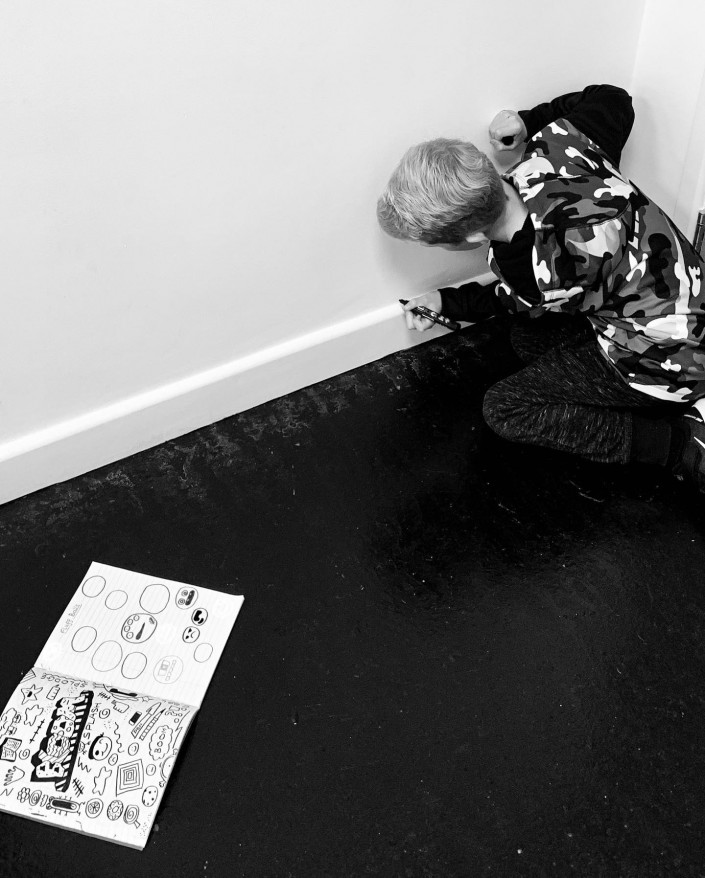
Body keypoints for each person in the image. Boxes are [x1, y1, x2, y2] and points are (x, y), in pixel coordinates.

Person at [376, 84, 705, 490]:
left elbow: (504, 300)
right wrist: (527, 121)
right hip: (688, 302)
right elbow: (613, 98)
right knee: (528, 337)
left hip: (673, 363)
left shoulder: (533, 271)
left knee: (505, 409)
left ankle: (681, 444)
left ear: (474, 237)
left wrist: (448, 302)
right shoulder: (557, 146)